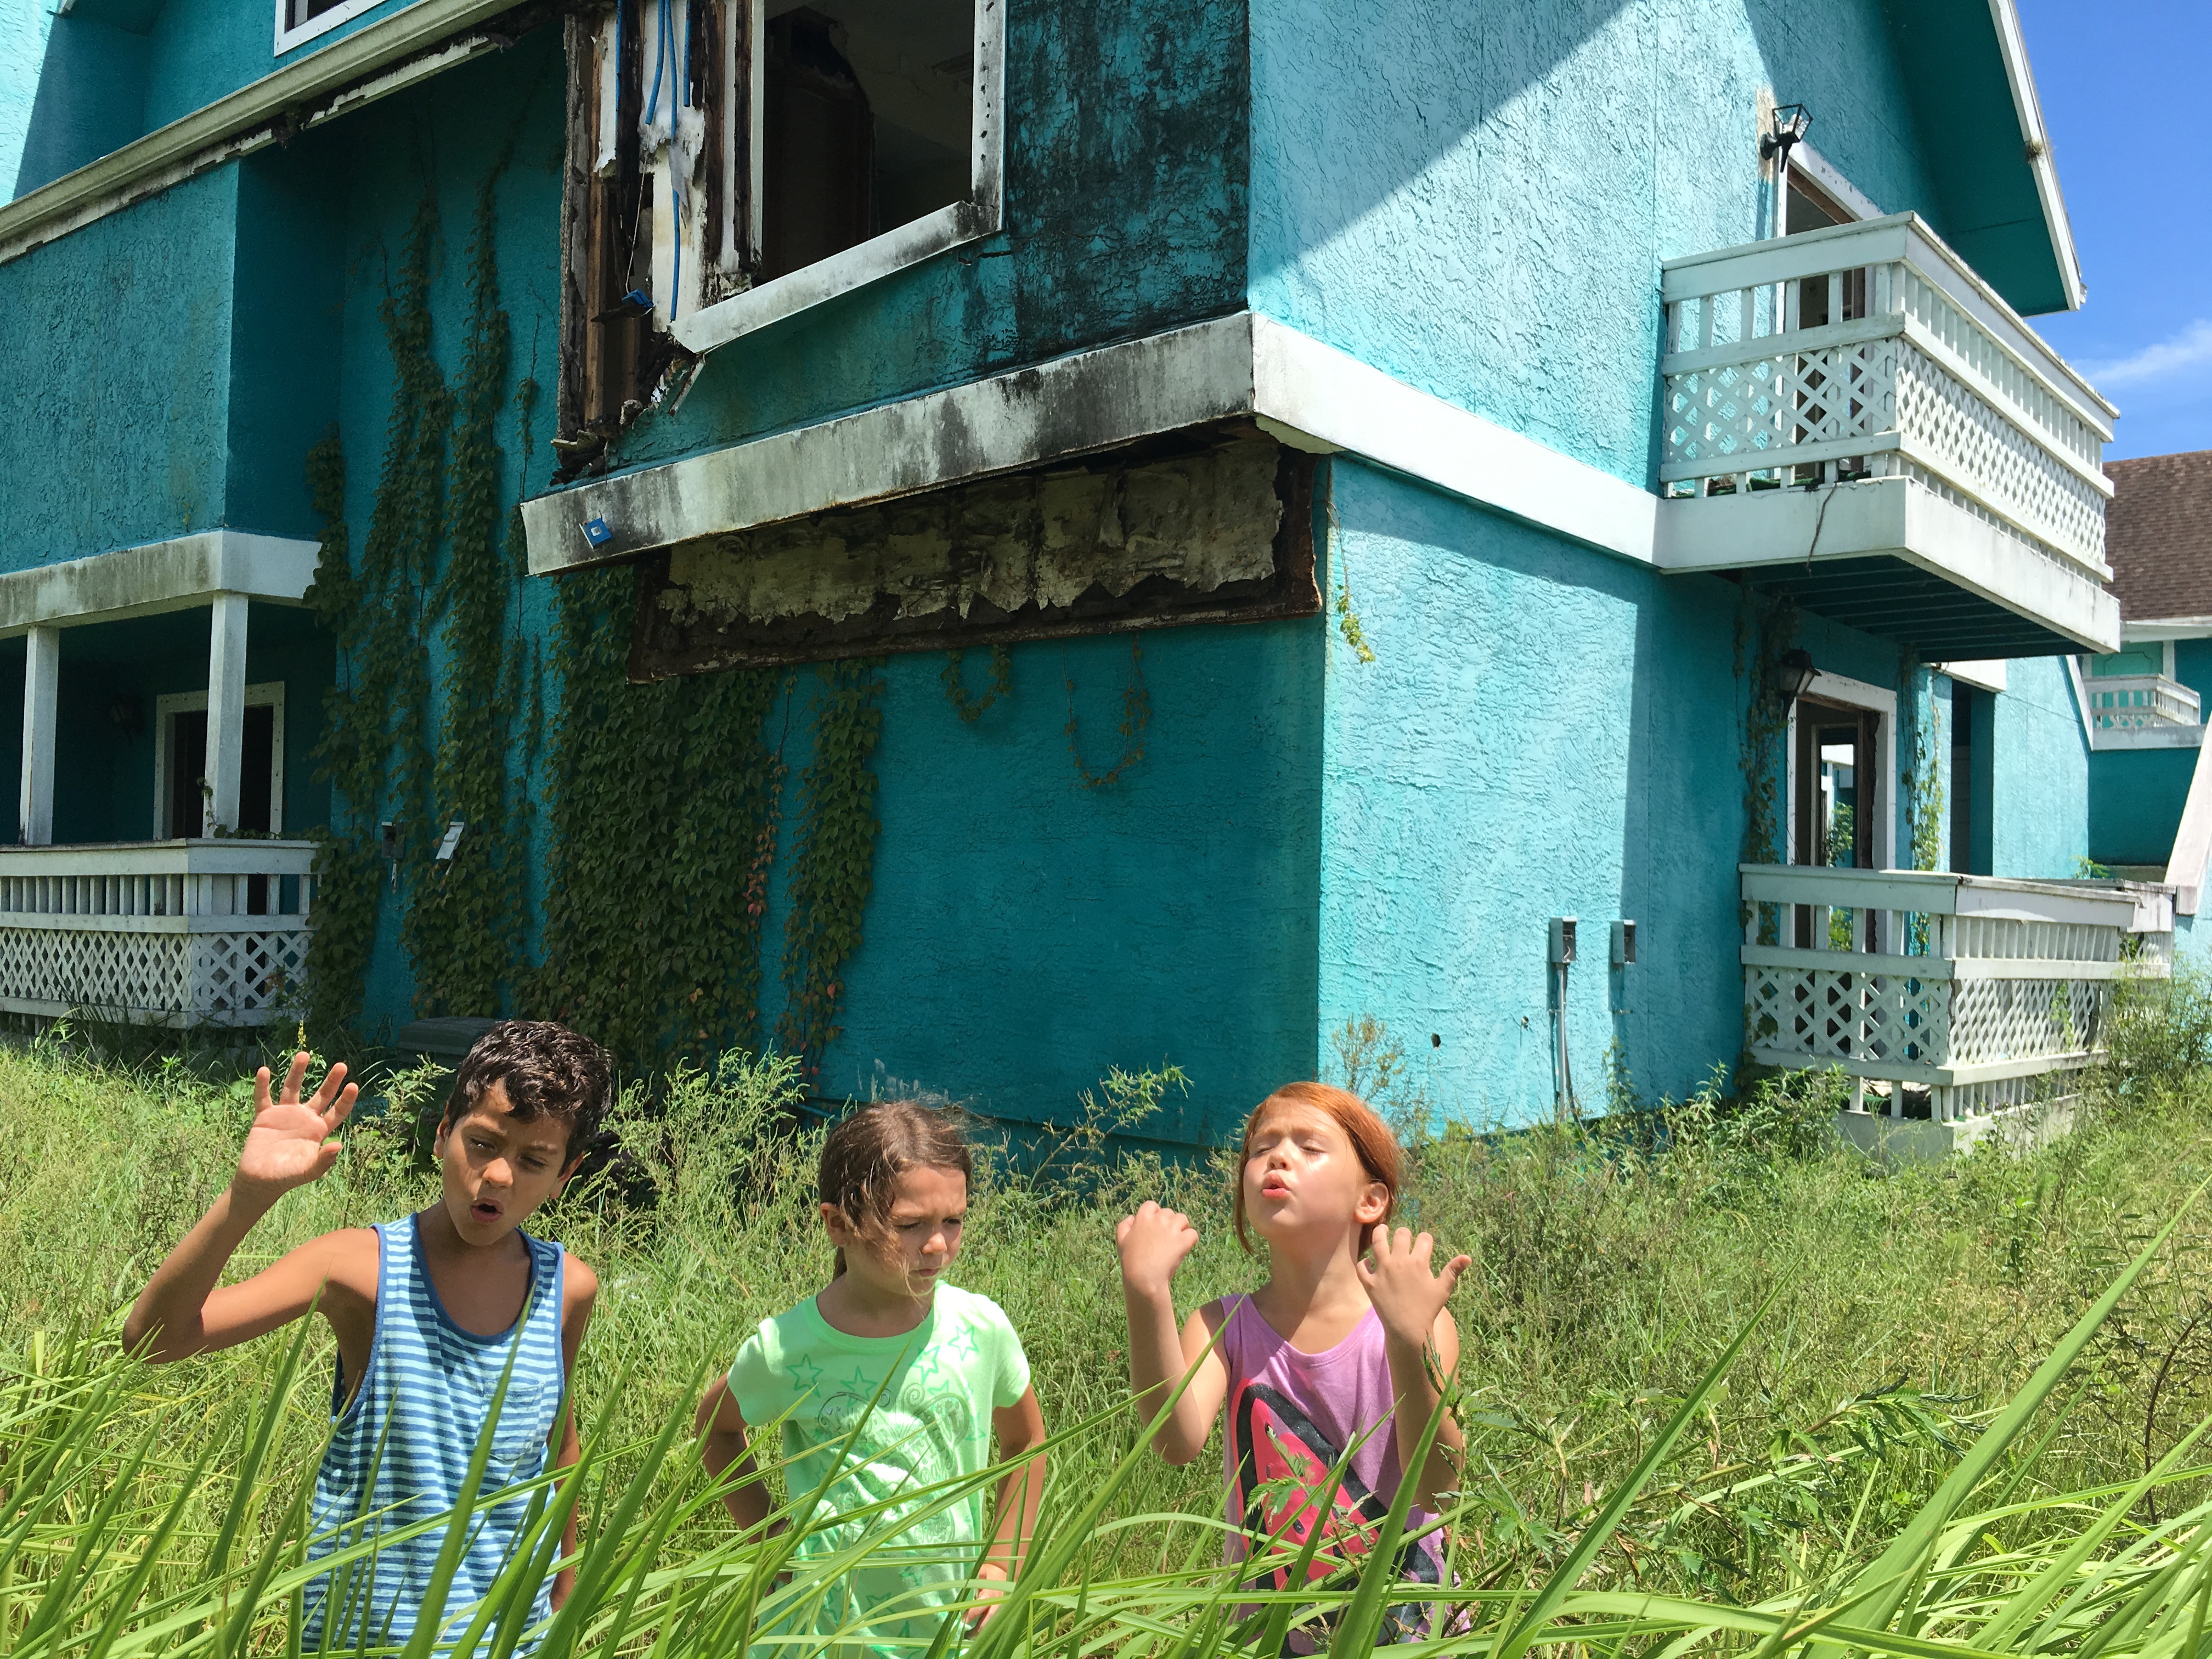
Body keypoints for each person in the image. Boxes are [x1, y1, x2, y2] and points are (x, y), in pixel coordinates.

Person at [122, 1020, 610, 1650]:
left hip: (510, 1636)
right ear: (442, 1133)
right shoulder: (361, 1268)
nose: (498, 1175)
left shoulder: (567, 1289)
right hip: (369, 1638)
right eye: (482, 1144)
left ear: (565, 1174)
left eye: (533, 1161)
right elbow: (156, 1340)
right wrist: (247, 1198)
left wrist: (565, 1590)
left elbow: (557, 1442)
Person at [1115, 1081, 1469, 1648]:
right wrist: (1146, 1291)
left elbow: (1437, 1489)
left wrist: (1408, 1341)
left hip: (1412, 1636)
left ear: (1370, 1201)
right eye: (1261, 1148)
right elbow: (1173, 1442)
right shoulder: (1221, 1327)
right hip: (1264, 1640)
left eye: (1309, 1147)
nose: (1277, 1156)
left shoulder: (1418, 1322)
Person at [695, 1099, 1048, 1656]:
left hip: (944, 1632)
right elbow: (715, 1430)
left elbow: (1025, 1442)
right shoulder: (789, 1347)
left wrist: (1003, 1565)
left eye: (953, 1221)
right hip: (815, 1637)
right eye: (910, 1225)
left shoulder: (981, 1330)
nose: (937, 1244)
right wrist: (768, 1536)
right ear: (839, 1224)